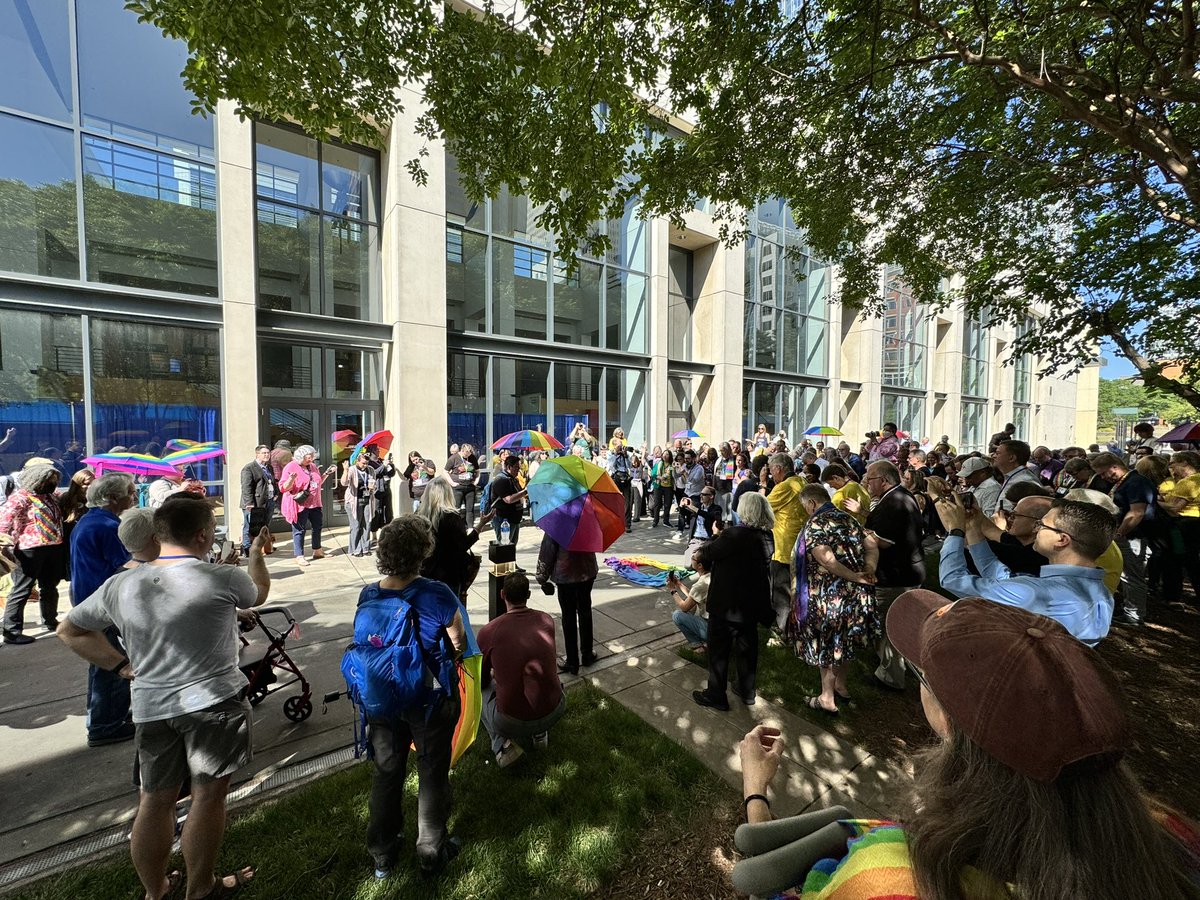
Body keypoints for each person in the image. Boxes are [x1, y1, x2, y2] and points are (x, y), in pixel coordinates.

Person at [736, 592, 1200, 900]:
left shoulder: (891, 876)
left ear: (947, 718)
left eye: (923, 674)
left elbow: (765, 889)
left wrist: (756, 791)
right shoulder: (1172, 835)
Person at [58, 496, 271, 900]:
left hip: (152, 708)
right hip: (214, 705)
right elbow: (257, 592)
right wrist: (257, 554)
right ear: (204, 534)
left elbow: (68, 630)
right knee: (208, 796)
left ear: (158, 534)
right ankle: (201, 889)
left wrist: (120, 666)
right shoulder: (221, 576)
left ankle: (155, 892)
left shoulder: (120, 585)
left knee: (154, 802)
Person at [354, 515, 468, 879]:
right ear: (423, 551)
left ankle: (382, 855)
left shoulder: (369, 593)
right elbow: (459, 641)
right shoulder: (437, 593)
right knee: (432, 773)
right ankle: (430, 851)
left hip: (383, 696)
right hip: (428, 698)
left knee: (387, 772)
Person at [935, 495, 1115, 645]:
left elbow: (952, 580)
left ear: (1062, 539)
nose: (1036, 530)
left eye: (1042, 525)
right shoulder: (1102, 594)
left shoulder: (1038, 592)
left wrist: (955, 530)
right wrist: (973, 526)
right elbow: (1004, 579)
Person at [793, 484, 879, 714]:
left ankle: (827, 698)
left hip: (828, 594)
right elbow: (872, 543)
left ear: (811, 503)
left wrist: (854, 576)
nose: (806, 512)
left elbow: (826, 558)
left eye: (805, 507)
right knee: (844, 640)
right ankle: (841, 685)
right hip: (853, 594)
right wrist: (868, 569)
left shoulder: (816, 523)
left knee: (827, 643)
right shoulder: (848, 518)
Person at [68, 472, 138, 745]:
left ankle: (106, 717)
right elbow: (126, 566)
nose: (133, 495)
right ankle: (105, 725)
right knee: (115, 663)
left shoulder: (91, 521)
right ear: (113, 498)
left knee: (104, 663)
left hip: (90, 599)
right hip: (103, 603)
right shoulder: (107, 526)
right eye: (130, 491)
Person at [692, 492, 774, 711]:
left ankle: (716, 694)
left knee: (719, 651)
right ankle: (747, 690)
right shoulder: (766, 536)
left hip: (727, 603)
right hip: (751, 603)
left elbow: (707, 553)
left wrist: (716, 534)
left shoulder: (734, 535)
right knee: (747, 649)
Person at [477, 572, 566, 768]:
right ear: (528, 595)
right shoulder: (546, 620)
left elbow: (481, 680)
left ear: (502, 595)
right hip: (555, 709)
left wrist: (496, 675)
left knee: (481, 691)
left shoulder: (489, 631)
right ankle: (540, 733)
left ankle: (502, 746)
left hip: (511, 720)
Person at [859, 460, 924, 690]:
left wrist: (861, 534)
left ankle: (890, 676)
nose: (867, 482)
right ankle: (899, 668)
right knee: (899, 625)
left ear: (884, 481)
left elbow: (884, 541)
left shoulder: (894, 502)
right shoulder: (900, 496)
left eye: (870, 478)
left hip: (896, 576)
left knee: (887, 626)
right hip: (907, 572)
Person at [1, 462, 65, 643]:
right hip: (29, 549)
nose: (53, 482)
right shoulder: (21, 497)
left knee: (50, 586)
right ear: (37, 479)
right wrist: (3, 544)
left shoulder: (50, 496)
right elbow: (5, 520)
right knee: (22, 588)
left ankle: (50, 620)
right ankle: (11, 631)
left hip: (53, 546)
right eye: (49, 479)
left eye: (54, 479)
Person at [1090, 451, 1156, 625]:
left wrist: (1119, 533)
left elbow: (1137, 512)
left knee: (1132, 576)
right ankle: (1128, 608)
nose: (1104, 478)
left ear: (1114, 467)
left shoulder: (1136, 482)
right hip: (1124, 535)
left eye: (1104, 473)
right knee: (1125, 575)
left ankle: (1134, 614)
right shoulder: (1126, 482)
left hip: (1133, 537)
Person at [418, 478, 492, 599]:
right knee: (451, 613)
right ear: (448, 494)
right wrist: (480, 526)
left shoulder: (419, 516)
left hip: (424, 572)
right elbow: (463, 545)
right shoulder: (451, 517)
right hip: (449, 573)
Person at [535, 532, 598, 676]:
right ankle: (587, 654)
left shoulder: (557, 522)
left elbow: (547, 552)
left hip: (566, 576)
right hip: (586, 571)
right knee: (585, 612)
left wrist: (541, 577)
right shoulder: (587, 518)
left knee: (568, 617)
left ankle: (572, 661)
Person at [759, 453, 807, 633]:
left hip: (784, 548)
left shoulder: (784, 487)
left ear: (778, 468)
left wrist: (763, 483)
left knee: (781, 592)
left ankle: (782, 630)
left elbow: (759, 507)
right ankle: (794, 626)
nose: (771, 475)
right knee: (794, 589)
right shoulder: (801, 482)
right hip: (799, 542)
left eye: (771, 471)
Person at [279, 445, 337, 569]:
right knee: (299, 529)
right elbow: (283, 488)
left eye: (312, 456)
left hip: (315, 502)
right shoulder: (291, 466)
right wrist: (291, 479)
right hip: (300, 504)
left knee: (317, 526)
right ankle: (299, 555)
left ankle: (317, 550)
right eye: (308, 456)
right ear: (301, 456)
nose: (311, 458)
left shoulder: (313, 466)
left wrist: (327, 473)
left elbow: (317, 482)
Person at [1160, 451, 1200, 600]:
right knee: (1192, 561)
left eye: (1173, 463)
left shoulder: (1189, 482)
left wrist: (1151, 500)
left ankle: (1172, 596)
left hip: (1184, 524)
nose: (1171, 468)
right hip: (1194, 523)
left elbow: (1174, 508)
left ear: (1185, 463)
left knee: (1176, 560)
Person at [666, 543, 711, 650]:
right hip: (721, 626)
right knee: (692, 608)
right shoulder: (710, 576)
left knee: (678, 615)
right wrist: (679, 584)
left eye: (693, 558)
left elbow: (684, 606)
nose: (691, 559)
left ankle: (697, 644)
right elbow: (694, 596)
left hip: (711, 629)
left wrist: (672, 590)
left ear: (700, 565)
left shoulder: (701, 584)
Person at [239, 444, 278, 555]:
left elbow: (273, 482)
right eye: (264, 453)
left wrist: (276, 494)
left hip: (268, 501)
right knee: (250, 527)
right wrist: (249, 503)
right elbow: (246, 487)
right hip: (254, 504)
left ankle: (264, 547)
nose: (267, 455)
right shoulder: (249, 468)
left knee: (265, 525)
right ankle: (247, 549)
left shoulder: (268, 467)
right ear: (257, 454)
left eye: (268, 453)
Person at [341, 453, 378, 558]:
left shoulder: (370, 470)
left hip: (367, 500)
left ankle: (365, 548)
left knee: (367, 524)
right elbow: (344, 483)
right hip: (354, 501)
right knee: (356, 525)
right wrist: (345, 470)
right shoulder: (352, 470)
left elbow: (373, 482)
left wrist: (372, 487)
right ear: (357, 461)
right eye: (363, 463)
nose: (365, 465)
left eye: (367, 463)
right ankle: (356, 549)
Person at [991, 439, 1041, 511]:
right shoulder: (1012, 476)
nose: (994, 456)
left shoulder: (1025, 481)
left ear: (1011, 458)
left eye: (998, 453)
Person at [489, 455, 527, 546]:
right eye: (516, 467)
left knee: (512, 547)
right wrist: (525, 491)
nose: (518, 470)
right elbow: (508, 499)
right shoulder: (501, 480)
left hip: (514, 519)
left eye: (519, 467)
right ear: (509, 467)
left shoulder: (514, 479)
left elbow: (520, 494)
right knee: (505, 547)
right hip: (504, 520)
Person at [606, 437, 634, 532]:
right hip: (616, 477)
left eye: (621, 445)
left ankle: (627, 524)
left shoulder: (625, 454)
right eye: (619, 445)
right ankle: (615, 523)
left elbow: (630, 466)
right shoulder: (610, 453)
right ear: (614, 446)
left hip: (626, 477)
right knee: (615, 502)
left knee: (627, 502)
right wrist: (616, 454)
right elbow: (611, 466)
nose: (621, 447)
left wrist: (625, 456)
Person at [445, 443, 479, 518]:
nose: (468, 455)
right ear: (462, 450)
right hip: (458, 487)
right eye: (466, 452)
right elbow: (445, 471)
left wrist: (476, 481)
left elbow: (477, 470)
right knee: (457, 508)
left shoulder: (472, 457)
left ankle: (470, 527)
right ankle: (456, 525)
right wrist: (452, 483)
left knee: (470, 509)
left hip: (469, 486)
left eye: (469, 453)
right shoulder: (454, 458)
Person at [677, 448, 706, 533]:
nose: (686, 460)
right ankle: (680, 529)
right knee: (681, 508)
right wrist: (679, 473)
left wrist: (685, 473)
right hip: (687, 492)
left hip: (696, 493)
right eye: (685, 458)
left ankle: (693, 530)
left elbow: (694, 480)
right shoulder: (685, 467)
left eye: (688, 458)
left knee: (694, 511)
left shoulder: (699, 468)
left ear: (693, 458)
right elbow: (683, 481)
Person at [371, 451, 397, 528]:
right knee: (377, 511)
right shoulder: (369, 463)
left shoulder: (380, 461)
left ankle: (387, 530)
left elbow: (391, 474)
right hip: (377, 491)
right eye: (376, 450)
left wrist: (391, 464)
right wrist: (383, 466)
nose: (379, 451)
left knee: (388, 511)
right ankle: (374, 534)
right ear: (372, 451)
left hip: (386, 489)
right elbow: (374, 474)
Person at [650, 449, 675, 528]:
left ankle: (666, 521)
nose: (665, 456)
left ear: (670, 456)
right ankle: (655, 521)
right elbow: (652, 474)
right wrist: (659, 477)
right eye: (664, 454)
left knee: (667, 504)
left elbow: (674, 475)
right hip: (659, 486)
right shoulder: (659, 463)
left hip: (668, 487)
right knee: (657, 504)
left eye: (667, 454)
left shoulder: (672, 465)